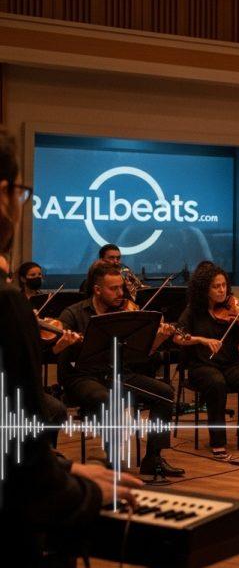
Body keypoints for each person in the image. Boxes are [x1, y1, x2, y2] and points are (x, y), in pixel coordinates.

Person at [0, 127, 143, 566]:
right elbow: (17, 459)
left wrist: (65, 468)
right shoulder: (7, 304)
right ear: (3, 197)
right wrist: (86, 493)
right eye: (19, 194)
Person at [58, 260, 184, 477]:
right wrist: (63, 343)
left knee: (164, 393)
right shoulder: (74, 313)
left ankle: (153, 459)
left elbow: (139, 356)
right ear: (97, 290)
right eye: (113, 289)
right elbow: (53, 348)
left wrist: (158, 339)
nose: (120, 293)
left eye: (121, 288)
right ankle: (113, 461)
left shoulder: (125, 314)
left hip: (118, 374)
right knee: (108, 399)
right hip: (83, 377)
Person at [175, 263, 239, 459]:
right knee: (216, 383)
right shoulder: (193, 311)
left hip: (229, 364)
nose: (221, 290)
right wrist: (202, 340)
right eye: (216, 286)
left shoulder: (233, 311)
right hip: (202, 366)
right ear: (204, 289)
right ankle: (218, 441)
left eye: (224, 285)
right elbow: (178, 337)